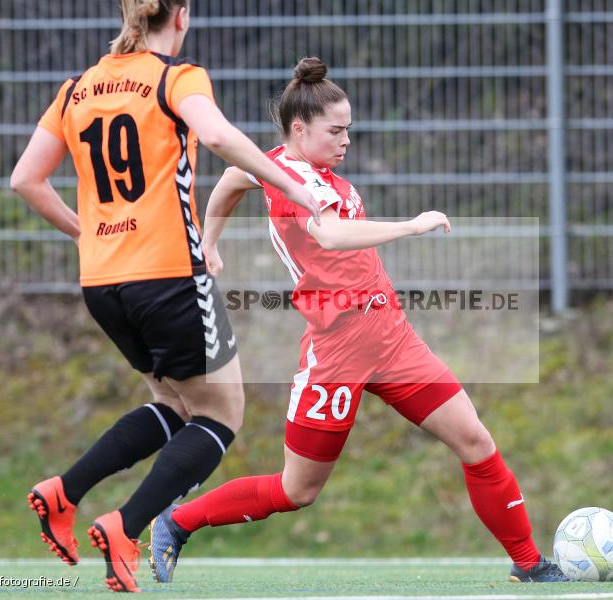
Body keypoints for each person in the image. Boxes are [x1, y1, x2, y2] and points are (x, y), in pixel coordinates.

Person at [148, 56, 568, 585]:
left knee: (476, 442)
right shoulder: (297, 178)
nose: (346, 140)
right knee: (297, 490)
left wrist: (210, 242)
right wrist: (411, 227)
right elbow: (330, 235)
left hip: (391, 338)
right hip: (337, 351)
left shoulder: (285, 167)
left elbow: (235, 175)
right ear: (299, 129)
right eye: (336, 130)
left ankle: (530, 564)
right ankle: (177, 521)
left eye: (349, 129)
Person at [9, 0, 320, 592]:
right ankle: (126, 528)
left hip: (103, 284)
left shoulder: (77, 88)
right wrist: (293, 184)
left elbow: (26, 178)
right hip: (169, 277)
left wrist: (90, 234)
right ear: (180, 14)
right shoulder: (176, 76)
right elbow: (216, 134)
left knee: (175, 406)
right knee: (220, 415)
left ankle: (63, 493)